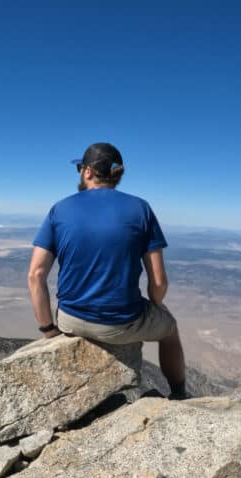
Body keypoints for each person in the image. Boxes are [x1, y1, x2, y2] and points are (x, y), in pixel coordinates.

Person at [28, 142, 187, 399]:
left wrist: (49, 330)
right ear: (117, 174)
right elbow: (158, 281)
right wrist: (157, 305)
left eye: (80, 168)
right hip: (122, 322)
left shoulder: (60, 208)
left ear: (88, 171)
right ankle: (179, 395)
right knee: (170, 330)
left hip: (70, 320)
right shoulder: (141, 209)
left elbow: (35, 275)